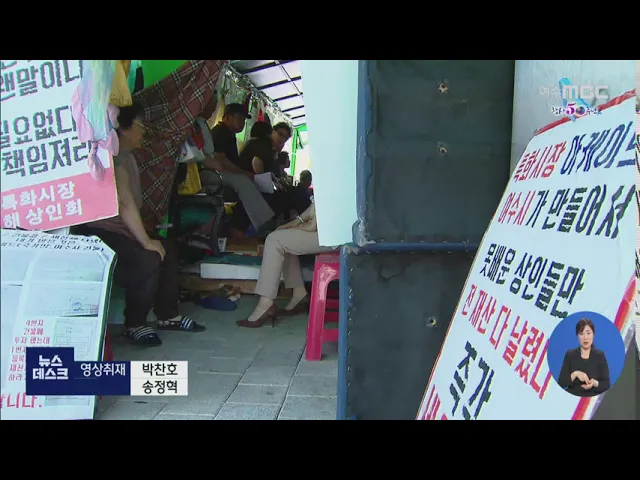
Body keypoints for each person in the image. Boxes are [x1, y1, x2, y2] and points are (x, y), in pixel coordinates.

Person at [84, 103, 206, 346]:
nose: (144, 132)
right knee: (148, 256)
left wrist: (149, 237)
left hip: (123, 229)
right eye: (140, 126)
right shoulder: (112, 158)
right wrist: (146, 241)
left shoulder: (128, 157)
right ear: (123, 129)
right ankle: (135, 323)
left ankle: (168, 316)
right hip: (101, 232)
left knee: (168, 249)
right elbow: (126, 204)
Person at [236, 202, 335, 328]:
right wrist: (294, 223)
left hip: (335, 236)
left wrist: (291, 226)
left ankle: (265, 304)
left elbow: (312, 226)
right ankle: (299, 294)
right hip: (330, 231)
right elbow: (314, 207)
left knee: (274, 240)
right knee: (283, 237)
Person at [198, 103, 276, 235]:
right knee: (243, 182)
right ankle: (262, 225)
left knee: (247, 185)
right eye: (240, 118)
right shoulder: (221, 132)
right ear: (227, 117)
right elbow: (221, 160)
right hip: (212, 172)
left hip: (219, 172)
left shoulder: (228, 134)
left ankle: (241, 228)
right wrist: (243, 173)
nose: (243, 123)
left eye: (244, 120)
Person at [558, 318, 611, 397]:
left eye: (588, 333)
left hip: (591, 398)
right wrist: (575, 374)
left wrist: (595, 383)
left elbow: (606, 384)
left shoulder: (600, 356)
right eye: (581, 334)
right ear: (577, 336)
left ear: (593, 334)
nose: (585, 337)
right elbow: (561, 383)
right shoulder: (570, 355)